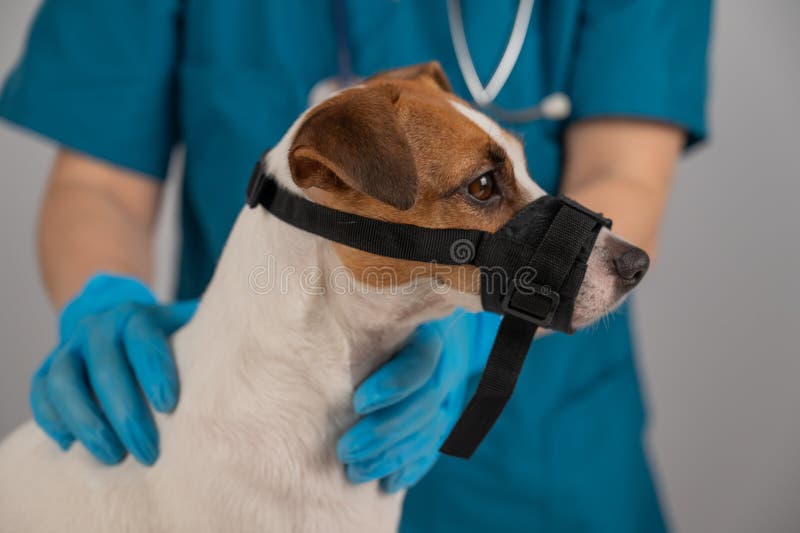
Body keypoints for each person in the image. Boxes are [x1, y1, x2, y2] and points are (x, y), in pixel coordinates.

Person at [0, 1, 710, 531]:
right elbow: (96, 186)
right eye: (489, 187)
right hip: (218, 432)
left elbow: (626, 171)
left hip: (539, 472)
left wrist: (470, 339)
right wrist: (103, 298)